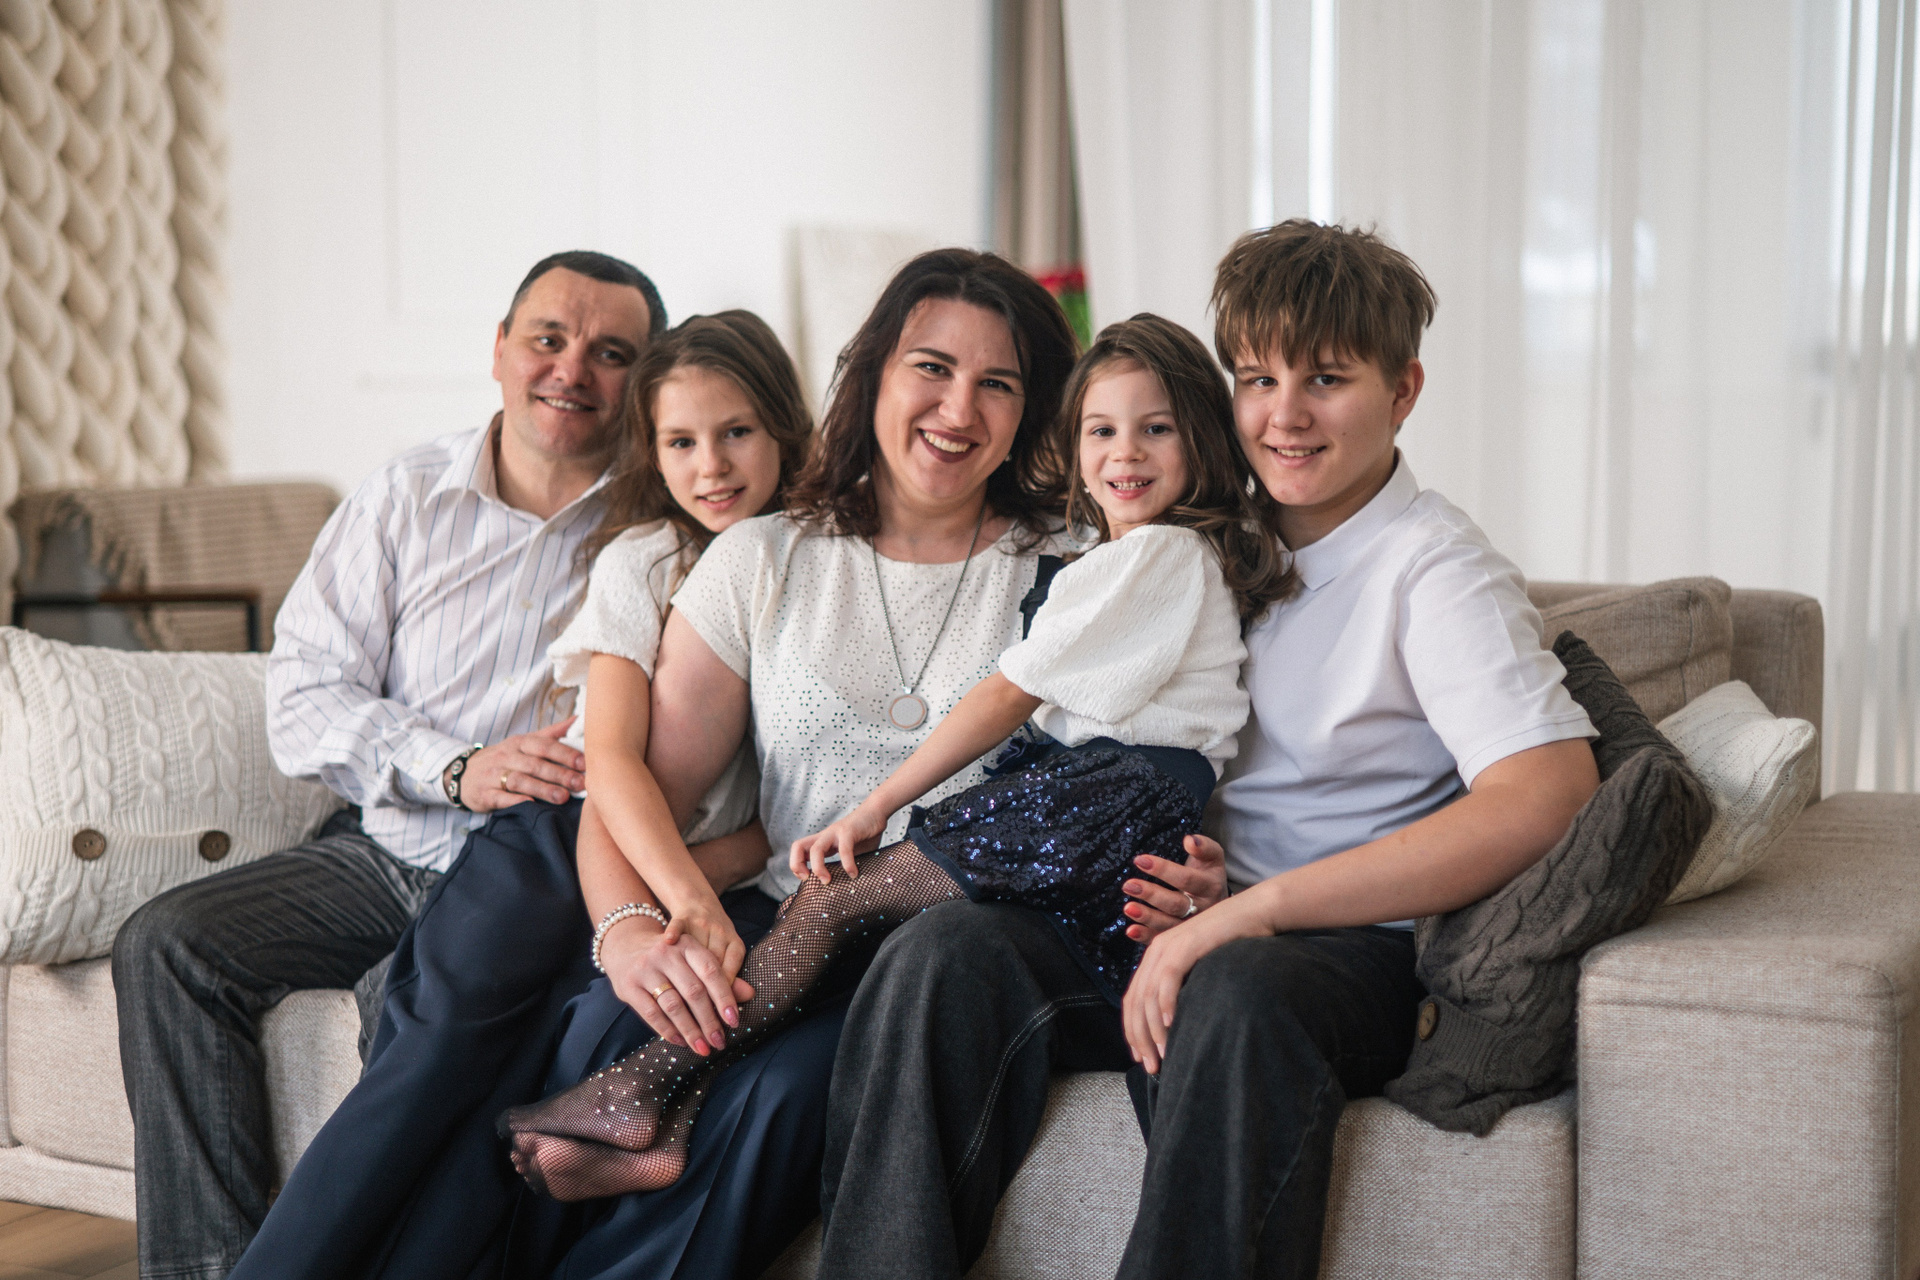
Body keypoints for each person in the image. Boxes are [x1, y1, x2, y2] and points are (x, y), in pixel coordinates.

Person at [814, 220, 1604, 1279]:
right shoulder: (1213, 539)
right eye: (1257, 379)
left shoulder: (1436, 571)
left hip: (1337, 953)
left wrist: (1252, 909)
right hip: (1175, 916)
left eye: (1327, 379)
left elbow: (1548, 792)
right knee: (940, 955)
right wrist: (1206, 887)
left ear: (1403, 390)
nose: (1285, 415)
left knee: (1232, 990)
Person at [515, 251, 1226, 1280]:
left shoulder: (1090, 556)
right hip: (782, 924)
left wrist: (1203, 875)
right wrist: (629, 935)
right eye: (931, 367)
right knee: (599, 1023)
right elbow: (635, 794)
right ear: (874, 374)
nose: (958, 409)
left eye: (998, 383)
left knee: (781, 1093)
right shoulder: (763, 555)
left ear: (1036, 410)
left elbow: (1176, 738)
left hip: (937, 960)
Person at [110, 250, 665, 1280]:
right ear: (499, 349)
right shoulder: (407, 494)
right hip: (383, 848)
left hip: (531, 881)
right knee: (167, 944)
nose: (571, 369)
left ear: (645, 379)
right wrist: (455, 766)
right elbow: (303, 691)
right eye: (548, 339)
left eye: (611, 353)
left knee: (405, 1016)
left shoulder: (660, 524)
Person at [225, 309, 814, 1280]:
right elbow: (612, 761)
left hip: (671, 864)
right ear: (651, 450)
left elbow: (781, 809)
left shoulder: (810, 567)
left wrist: (693, 886)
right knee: (431, 1068)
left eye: (736, 432)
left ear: (785, 428)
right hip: (552, 842)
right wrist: (684, 895)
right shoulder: (645, 559)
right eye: (679, 441)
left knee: (521, 1098)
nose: (710, 465)